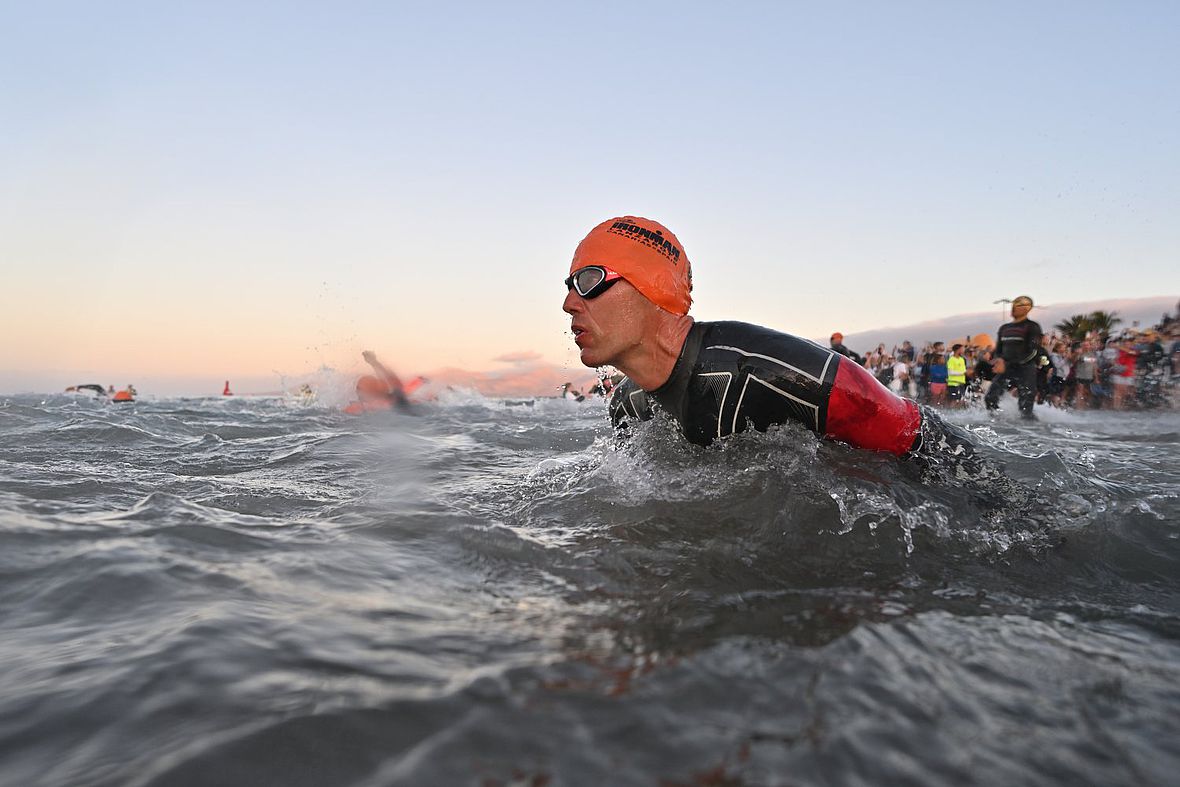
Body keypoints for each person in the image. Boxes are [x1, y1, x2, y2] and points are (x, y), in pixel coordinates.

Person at [562, 216, 973, 460]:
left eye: (587, 280)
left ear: (654, 288)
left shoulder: (771, 368)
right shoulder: (626, 406)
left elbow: (930, 448)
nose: (568, 304)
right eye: (568, 285)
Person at [984, 295, 1042, 419]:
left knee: (1025, 405)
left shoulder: (1032, 326)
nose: (1013, 308)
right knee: (990, 398)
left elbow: (1034, 351)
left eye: (1018, 305)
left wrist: (1014, 363)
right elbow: (999, 350)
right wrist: (998, 360)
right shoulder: (1005, 328)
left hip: (1026, 368)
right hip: (1006, 368)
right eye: (1013, 305)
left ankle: (1030, 431)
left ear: (1027, 309)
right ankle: (998, 422)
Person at [344, 351, 410, 415]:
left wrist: (374, 363)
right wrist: (374, 363)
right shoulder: (395, 398)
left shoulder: (356, 407)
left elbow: (390, 380)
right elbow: (390, 380)